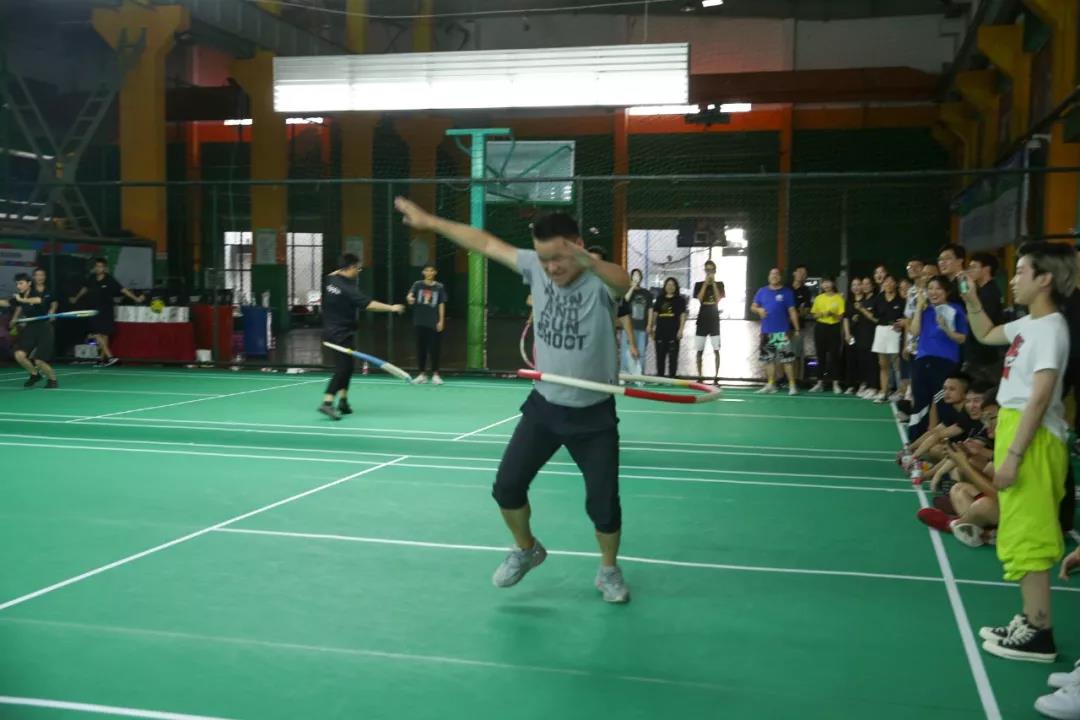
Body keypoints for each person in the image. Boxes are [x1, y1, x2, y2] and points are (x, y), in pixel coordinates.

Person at [395, 197, 634, 603]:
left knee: (604, 504)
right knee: (506, 488)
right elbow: (485, 243)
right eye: (544, 260)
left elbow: (623, 282)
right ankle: (527, 549)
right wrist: (430, 221)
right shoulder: (535, 268)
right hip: (545, 407)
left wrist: (589, 262)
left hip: (593, 415)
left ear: (578, 246)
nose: (551, 268)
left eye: (559, 258)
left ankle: (608, 571)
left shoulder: (599, 282)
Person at [959, 241, 1075, 663]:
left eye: (1022, 271)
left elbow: (1040, 398)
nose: (1014, 279)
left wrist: (1012, 456)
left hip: (1034, 439)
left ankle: (1040, 634)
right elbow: (986, 333)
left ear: (1045, 279)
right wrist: (971, 299)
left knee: (1030, 535)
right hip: (1015, 429)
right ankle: (1029, 618)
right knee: (1018, 530)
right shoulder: (1028, 324)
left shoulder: (1052, 329)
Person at [319, 254, 405, 420]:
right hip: (340, 334)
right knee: (343, 368)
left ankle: (343, 401)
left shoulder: (330, 280)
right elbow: (369, 305)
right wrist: (392, 308)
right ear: (351, 267)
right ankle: (327, 403)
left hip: (336, 331)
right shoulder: (348, 289)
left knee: (348, 367)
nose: (359, 271)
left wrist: (342, 268)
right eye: (358, 268)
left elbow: (333, 273)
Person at [908, 276, 968, 439]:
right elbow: (914, 331)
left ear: (946, 291)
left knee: (944, 404)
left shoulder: (956, 310)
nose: (933, 292)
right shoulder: (924, 310)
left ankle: (943, 443)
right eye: (930, 289)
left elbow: (962, 338)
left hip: (945, 363)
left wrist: (946, 329)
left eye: (938, 288)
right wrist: (919, 306)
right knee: (920, 403)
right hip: (922, 361)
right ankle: (914, 443)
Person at [68, 257, 145, 367]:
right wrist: (76, 298)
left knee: (104, 334)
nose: (98, 268)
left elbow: (123, 290)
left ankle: (103, 359)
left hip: (106, 310)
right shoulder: (91, 278)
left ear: (105, 268)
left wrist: (136, 298)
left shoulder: (109, 279)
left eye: (101, 266)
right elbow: (85, 289)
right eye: (97, 266)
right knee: (96, 333)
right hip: (94, 310)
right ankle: (110, 357)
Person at [751, 268, 800, 395]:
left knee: (787, 361)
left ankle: (792, 386)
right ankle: (771, 385)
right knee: (768, 360)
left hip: (782, 332)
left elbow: (792, 311)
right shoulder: (762, 291)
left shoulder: (787, 292)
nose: (774, 276)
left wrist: (797, 329)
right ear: (769, 276)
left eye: (777, 274)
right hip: (767, 332)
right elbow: (753, 307)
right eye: (772, 274)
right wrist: (759, 310)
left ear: (780, 277)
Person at [8, 272, 58, 388]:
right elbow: (6, 303)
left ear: (29, 283)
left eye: (21, 283)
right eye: (17, 284)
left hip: (44, 328)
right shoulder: (19, 296)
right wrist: (19, 300)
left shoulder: (35, 293)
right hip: (30, 328)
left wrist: (21, 300)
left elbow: (38, 300)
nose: (18, 286)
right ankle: (35, 375)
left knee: (39, 360)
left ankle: (52, 380)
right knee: (19, 355)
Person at [963, 252, 1005, 387]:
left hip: (985, 356)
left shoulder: (990, 292)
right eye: (969, 267)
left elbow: (981, 320)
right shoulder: (978, 291)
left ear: (986, 269)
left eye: (974, 267)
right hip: (975, 352)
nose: (970, 271)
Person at [406, 263, 447, 386]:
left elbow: (441, 304)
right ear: (423, 272)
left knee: (434, 349)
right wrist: (409, 298)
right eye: (427, 270)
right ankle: (422, 375)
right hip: (419, 322)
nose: (429, 273)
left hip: (434, 323)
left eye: (431, 270)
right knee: (421, 349)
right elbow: (409, 295)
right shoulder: (417, 284)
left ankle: (436, 375)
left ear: (435, 272)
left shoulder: (439, 287)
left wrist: (441, 321)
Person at [866, 274, 905, 403]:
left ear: (895, 284)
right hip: (881, 331)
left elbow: (905, 317)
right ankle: (884, 392)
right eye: (886, 282)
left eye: (891, 281)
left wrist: (901, 326)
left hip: (895, 331)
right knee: (883, 364)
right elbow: (875, 316)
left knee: (897, 365)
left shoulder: (901, 299)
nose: (888, 284)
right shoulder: (879, 298)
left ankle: (901, 392)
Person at [809, 276, 844, 394]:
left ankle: (835, 383)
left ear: (833, 284)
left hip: (834, 328)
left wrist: (832, 314)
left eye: (828, 282)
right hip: (820, 328)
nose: (826, 285)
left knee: (834, 356)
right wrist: (821, 314)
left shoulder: (839, 298)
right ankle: (819, 383)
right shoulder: (818, 298)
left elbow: (841, 317)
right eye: (824, 283)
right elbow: (814, 315)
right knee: (820, 356)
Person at [693, 260, 724, 384]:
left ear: (715, 271)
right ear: (705, 271)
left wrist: (713, 283)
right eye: (707, 270)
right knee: (699, 351)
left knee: (716, 350)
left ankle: (716, 377)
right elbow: (700, 299)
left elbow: (718, 299)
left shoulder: (720, 284)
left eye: (711, 270)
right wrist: (706, 284)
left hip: (714, 322)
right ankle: (700, 377)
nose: (709, 272)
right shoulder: (699, 285)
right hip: (702, 321)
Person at [649, 278, 686, 378]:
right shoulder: (660, 299)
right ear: (665, 286)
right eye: (668, 284)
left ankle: (672, 379)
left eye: (673, 285)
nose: (670, 287)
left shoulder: (680, 300)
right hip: (660, 333)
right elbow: (655, 314)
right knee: (660, 358)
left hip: (673, 333)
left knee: (673, 359)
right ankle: (660, 379)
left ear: (676, 287)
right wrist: (651, 329)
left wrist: (681, 330)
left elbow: (682, 315)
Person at [620, 269, 652, 376]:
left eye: (638, 275)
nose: (636, 277)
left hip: (642, 327)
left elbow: (650, 309)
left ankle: (639, 375)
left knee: (641, 351)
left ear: (641, 278)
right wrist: (632, 288)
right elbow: (624, 300)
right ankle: (625, 374)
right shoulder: (627, 290)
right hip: (628, 327)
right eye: (634, 275)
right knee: (626, 350)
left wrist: (649, 324)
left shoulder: (646, 293)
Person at [790, 264, 814, 384]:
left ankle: (796, 380)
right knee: (781, 355)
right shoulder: (786, 288)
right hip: (783, 327)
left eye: (804, 273)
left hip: (798, 327)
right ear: (794, 273)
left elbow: (807, 310)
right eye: (799, 272)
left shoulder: (806, 291)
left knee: (797, 355)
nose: (801, 275)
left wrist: (801, 312)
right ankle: (781, 380)